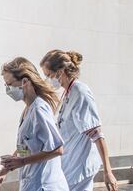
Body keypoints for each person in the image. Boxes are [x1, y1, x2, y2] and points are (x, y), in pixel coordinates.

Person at [40, 50, 118, 191]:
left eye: (49, 75)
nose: (47, 80)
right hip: (70, 166)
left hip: (79, 169)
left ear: (60, 72)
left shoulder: (80, 92)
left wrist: (108, 172)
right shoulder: (68, 92)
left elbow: (97, 134)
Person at [0, 57, 68, 191]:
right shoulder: (28, 109)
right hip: (32, 183)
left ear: (24, 81)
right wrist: (5, 170)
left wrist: (22, 162)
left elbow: (57, 149)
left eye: (9, 84)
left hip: (45, 185)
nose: (7, 89)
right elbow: (26, 147)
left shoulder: (38, 110)